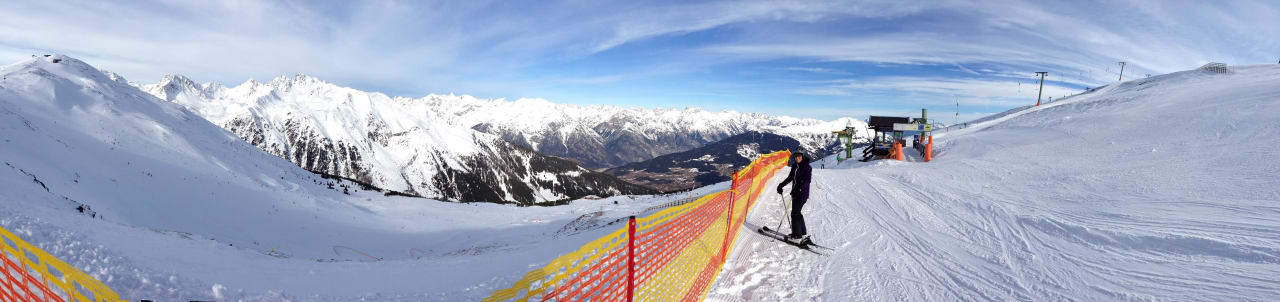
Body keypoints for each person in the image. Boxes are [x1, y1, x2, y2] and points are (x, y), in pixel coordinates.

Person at [776, 152, 812, 244]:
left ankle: (797, 236)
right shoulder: (795, 166)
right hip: (795, 193)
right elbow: (790, 178)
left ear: (802, 156)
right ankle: (803, 233)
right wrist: (781, 185)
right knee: (798, 212)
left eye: (799, 156)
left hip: (802, 194)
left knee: (795, 213)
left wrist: (798, 188)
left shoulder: (807, 167)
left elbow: (807, 180)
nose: (797, 158)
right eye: (795, 157)